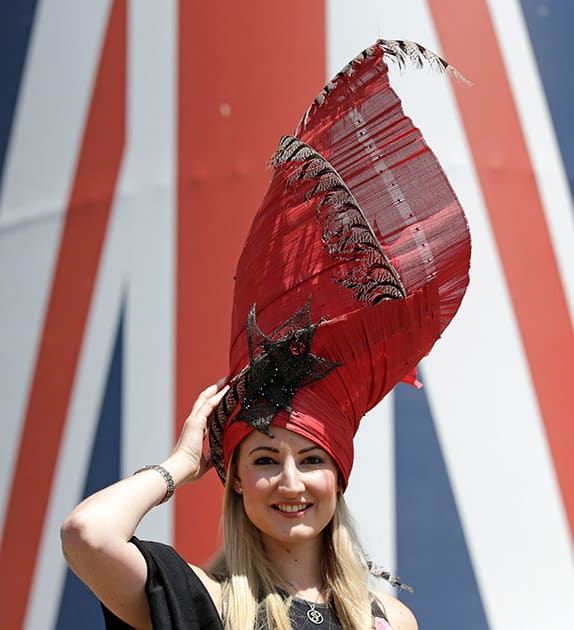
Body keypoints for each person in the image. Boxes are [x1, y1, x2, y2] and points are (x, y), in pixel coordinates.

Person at [62, 39, 471, 629]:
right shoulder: (199, 599)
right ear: (234, 483)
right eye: (263, 460)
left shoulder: (388, 620)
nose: (290, 481)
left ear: (338, 473)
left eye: (310, 458)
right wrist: (181, 463)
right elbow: (87, 534)